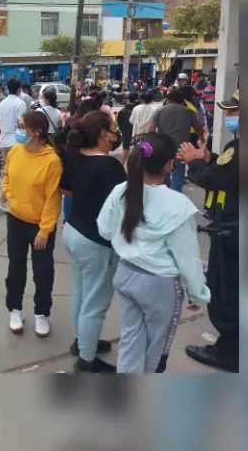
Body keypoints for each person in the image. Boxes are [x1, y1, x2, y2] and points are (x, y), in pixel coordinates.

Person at [97, 133, 211, 374]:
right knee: (155, 350)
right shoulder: (178, 204)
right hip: (161, 286)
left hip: (126, 275)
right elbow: (187, 256)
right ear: (171, 164)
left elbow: (105, 230)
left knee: (130, 340)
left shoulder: (121, 190)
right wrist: (197, 293)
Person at [177, 89, 239, 372]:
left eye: (234, 111)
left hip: (232, 232)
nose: (229, 116)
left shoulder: (239, 149)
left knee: (224, 289)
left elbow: (212, 179)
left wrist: (194, 161)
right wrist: (212, 156)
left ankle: (228, 351)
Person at [61, 110, 126, 373]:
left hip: (73, 231)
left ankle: (82, 342)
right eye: (112, 129)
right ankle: (87, 360)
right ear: (103, 134)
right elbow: (125, 203)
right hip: (96, 242)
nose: (115, 134)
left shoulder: (75, 156)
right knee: (95, 304)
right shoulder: (109, 166)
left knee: (81, 293)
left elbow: (66, 190)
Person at [3, 110, 62, 337]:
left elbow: (52, 200)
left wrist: (44, 231)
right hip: (15, 220)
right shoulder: (16, 151)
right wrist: (8, 195)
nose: (18, 131)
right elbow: (7, 176)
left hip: (39, 227)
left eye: (21, 127)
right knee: (15, 268)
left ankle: (42, 313)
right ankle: (15, 309)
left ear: (36, 133)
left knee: (42, 272)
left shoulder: (51, 161)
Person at [148, 89, 204, 192]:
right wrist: (202, 140)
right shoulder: (188, 112)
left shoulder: (160, 110)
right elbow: (198, 129)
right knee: (178, 171)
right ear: (182, 101)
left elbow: (151, 127)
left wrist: (155, 139)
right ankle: (176, 193)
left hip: (163, 146)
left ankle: (165, 191)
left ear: (168, 100)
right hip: (181, 148)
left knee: (164, 169)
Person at [0, 79, 28, 211]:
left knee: (9, 173)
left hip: (4, 142)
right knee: (15, 174)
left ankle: (5, 200)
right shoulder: (21, 104)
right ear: (19, 89)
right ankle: (5, 201)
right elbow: (21, 124)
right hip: (16, 142)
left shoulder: (2, 104)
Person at [117, 91, 139, 165]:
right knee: (137, 150)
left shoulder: (122, 110)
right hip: (137, 132)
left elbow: (118, 123)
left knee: (125, 149)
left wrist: (121, 130)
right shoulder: (138, 109)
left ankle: (121, 166)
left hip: (125, 131)